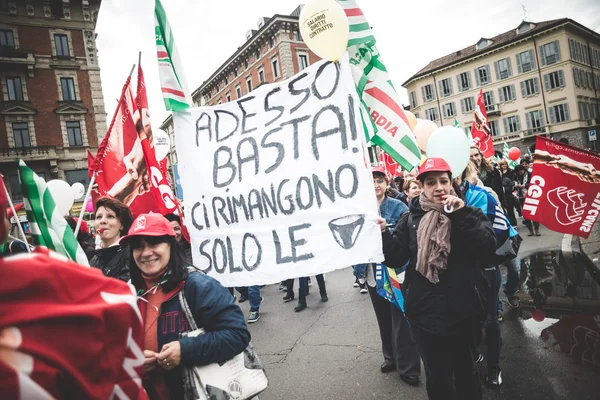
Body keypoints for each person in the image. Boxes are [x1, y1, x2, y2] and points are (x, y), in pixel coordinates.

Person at [380, 157, 496, 400]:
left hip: (464, 311)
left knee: (466, 374)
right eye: (431, 182)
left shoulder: (468, 212)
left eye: (443, 181)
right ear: (421, 186)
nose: (438, 188)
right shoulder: (410, 219)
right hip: (425, 315)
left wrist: (460, 215)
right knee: (438, 379)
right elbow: (394, 258)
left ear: (451, 183)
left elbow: (487, 248)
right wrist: (383, 235)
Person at [121, 213, 250, 400]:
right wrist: (131, 360)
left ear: (171, 246)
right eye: (138, 247)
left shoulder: (198, 285)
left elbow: (237, 334)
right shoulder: (126, 293)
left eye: (154, 244)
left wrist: (185, 350)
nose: (146, 252)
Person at [361, 166, 421, 386]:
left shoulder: (399, 207)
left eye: (379, 180)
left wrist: (386, 231)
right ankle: (390, 357)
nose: (376, 185)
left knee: (401, 321)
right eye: (372, 180)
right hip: (371, 273)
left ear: (387, 184)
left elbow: (405, 239)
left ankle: (409, 367)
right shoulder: (360, 208)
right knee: (383, 319)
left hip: (395, 272)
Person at [89, 197, 134, 281]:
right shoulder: (93, 258)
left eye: (110, 216)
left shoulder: (130, 254)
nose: (103, 221)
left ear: (122, 225)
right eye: (98, 217)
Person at [497, 160, 518, 227]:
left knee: (510, 208)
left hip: (509, 191)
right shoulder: (498, 173)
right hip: (502, 194)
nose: (504, 166)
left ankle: (514, 223)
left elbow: (512, 183)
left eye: (505, 164)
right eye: (503, 164)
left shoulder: (510, 172)